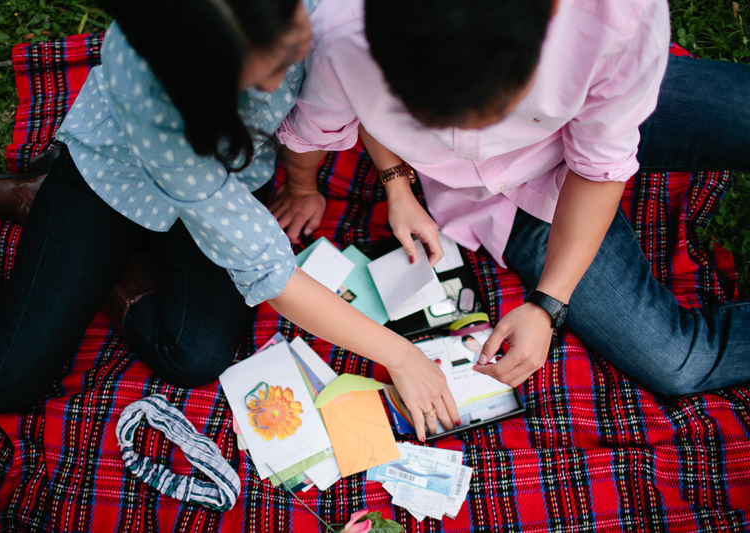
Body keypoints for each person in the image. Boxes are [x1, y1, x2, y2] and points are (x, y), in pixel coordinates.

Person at [0, 0, 458, 441]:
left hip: (236, 172)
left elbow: (351, 73)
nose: (280, 85)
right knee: (2, 381)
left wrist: (394, 184)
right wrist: (401, 355)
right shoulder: (148, 83)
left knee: (196, 355)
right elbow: (266, 269)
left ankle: (103, 259)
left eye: (288, 55)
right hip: (117, 176)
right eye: (255, 78)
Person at [274, 0, 750, 394]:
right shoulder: (341, 31)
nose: (469, 134)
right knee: (675, 364)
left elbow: (598, 168)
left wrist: (549, 303)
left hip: (611, 105)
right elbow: (316, 126)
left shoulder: (616, 17)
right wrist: (350, 182)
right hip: (499, 205)